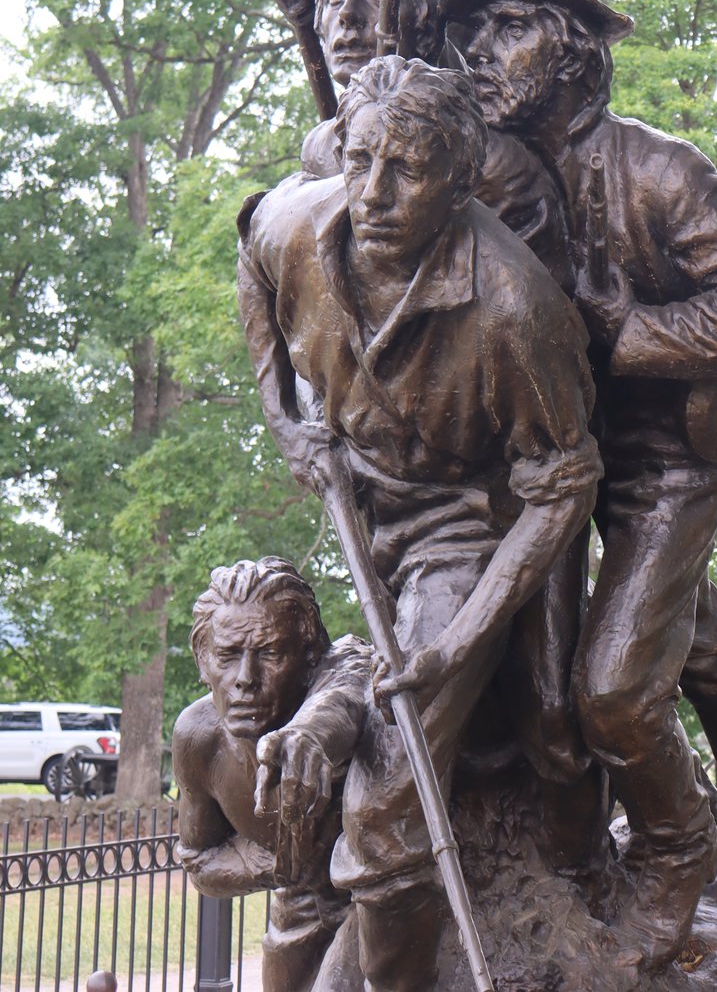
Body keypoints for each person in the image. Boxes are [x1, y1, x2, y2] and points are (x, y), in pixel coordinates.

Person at [442, 0, 717, 969]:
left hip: (673, 455)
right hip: (568, 462)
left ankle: (674, 848)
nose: (482, 47)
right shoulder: (485, 174)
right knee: (693, 643)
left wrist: (631, 335)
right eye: (472, 29)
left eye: (511, 27)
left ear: (573, 52)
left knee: (612, 688)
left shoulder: (659, 169)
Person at [236, 56, 601, 992]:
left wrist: (462, 640)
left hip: (463, 529)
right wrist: (288, 425)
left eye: (410, 169)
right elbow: (250, 261)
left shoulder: (518, 308)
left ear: (460, 176)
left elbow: (564, 484)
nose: (376, 192)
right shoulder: (296, 225)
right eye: (361, 161)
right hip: (359, 499)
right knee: (331, 738)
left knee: (393, 783)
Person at [173, 557, 370, 992]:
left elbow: (345, 695)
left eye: (270, 653)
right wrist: (274, 866)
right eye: (227, 655)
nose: (245, 679)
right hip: (297, 910)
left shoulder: (343, 675)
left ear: (309, 656)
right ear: (203, 661)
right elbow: (199, 858)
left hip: (385, 901)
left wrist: (308, 735)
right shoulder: (198, 739)